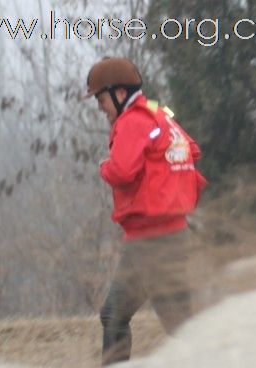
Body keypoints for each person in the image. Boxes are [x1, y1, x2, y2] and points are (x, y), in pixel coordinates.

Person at [84, 57, 207, 365]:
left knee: (117, 315)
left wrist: (104, 167)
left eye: (101, 99)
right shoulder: (161, 114)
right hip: (172, 234)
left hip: (150, 242)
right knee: (182, 326)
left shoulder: (133, 121)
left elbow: (123, 171)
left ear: (119, 93)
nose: (100, 108)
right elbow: (192, 152)